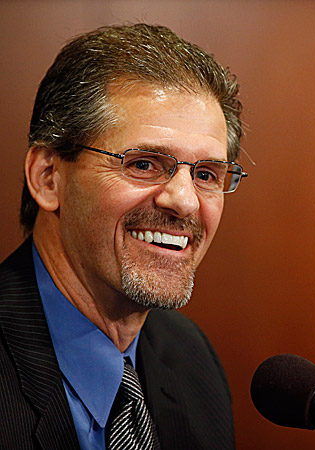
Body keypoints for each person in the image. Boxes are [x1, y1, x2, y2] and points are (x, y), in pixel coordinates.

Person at [0, 23, 246, 450]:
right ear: (48, 177)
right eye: (144, 164)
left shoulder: (192, 358)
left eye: (206, 174)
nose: (185, 201)